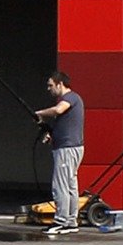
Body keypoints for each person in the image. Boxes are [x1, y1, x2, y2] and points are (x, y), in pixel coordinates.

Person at [35, 71, 86, 236]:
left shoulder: (69, 98)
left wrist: (40, 113)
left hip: (67, 149)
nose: (48, 89)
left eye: (51, 85)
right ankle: (71, 221)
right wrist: (52, 134)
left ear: (60, 84)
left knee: (61, 186)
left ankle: (61, 221)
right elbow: (63, 121)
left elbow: (58, 110)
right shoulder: (72, 100)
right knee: (71, 185)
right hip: (70, 147)